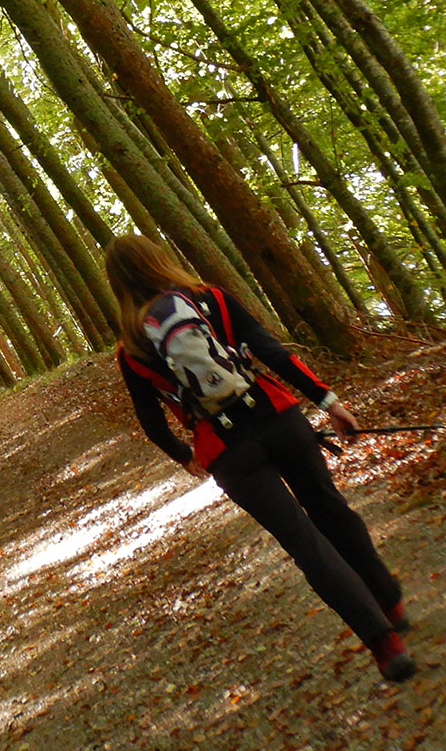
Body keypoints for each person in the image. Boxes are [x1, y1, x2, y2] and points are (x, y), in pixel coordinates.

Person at [105, 234, 416, 682]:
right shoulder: (210, 298)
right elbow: (273, 351)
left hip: (227, 450)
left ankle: (386, 647)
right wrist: (328, 402)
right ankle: (390, 601)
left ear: (117, 286)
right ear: (160, 260)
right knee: (330, 509)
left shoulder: (130, 348)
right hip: (278, 418)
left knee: (304, 543)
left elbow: (151, 422)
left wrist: (185, 455)